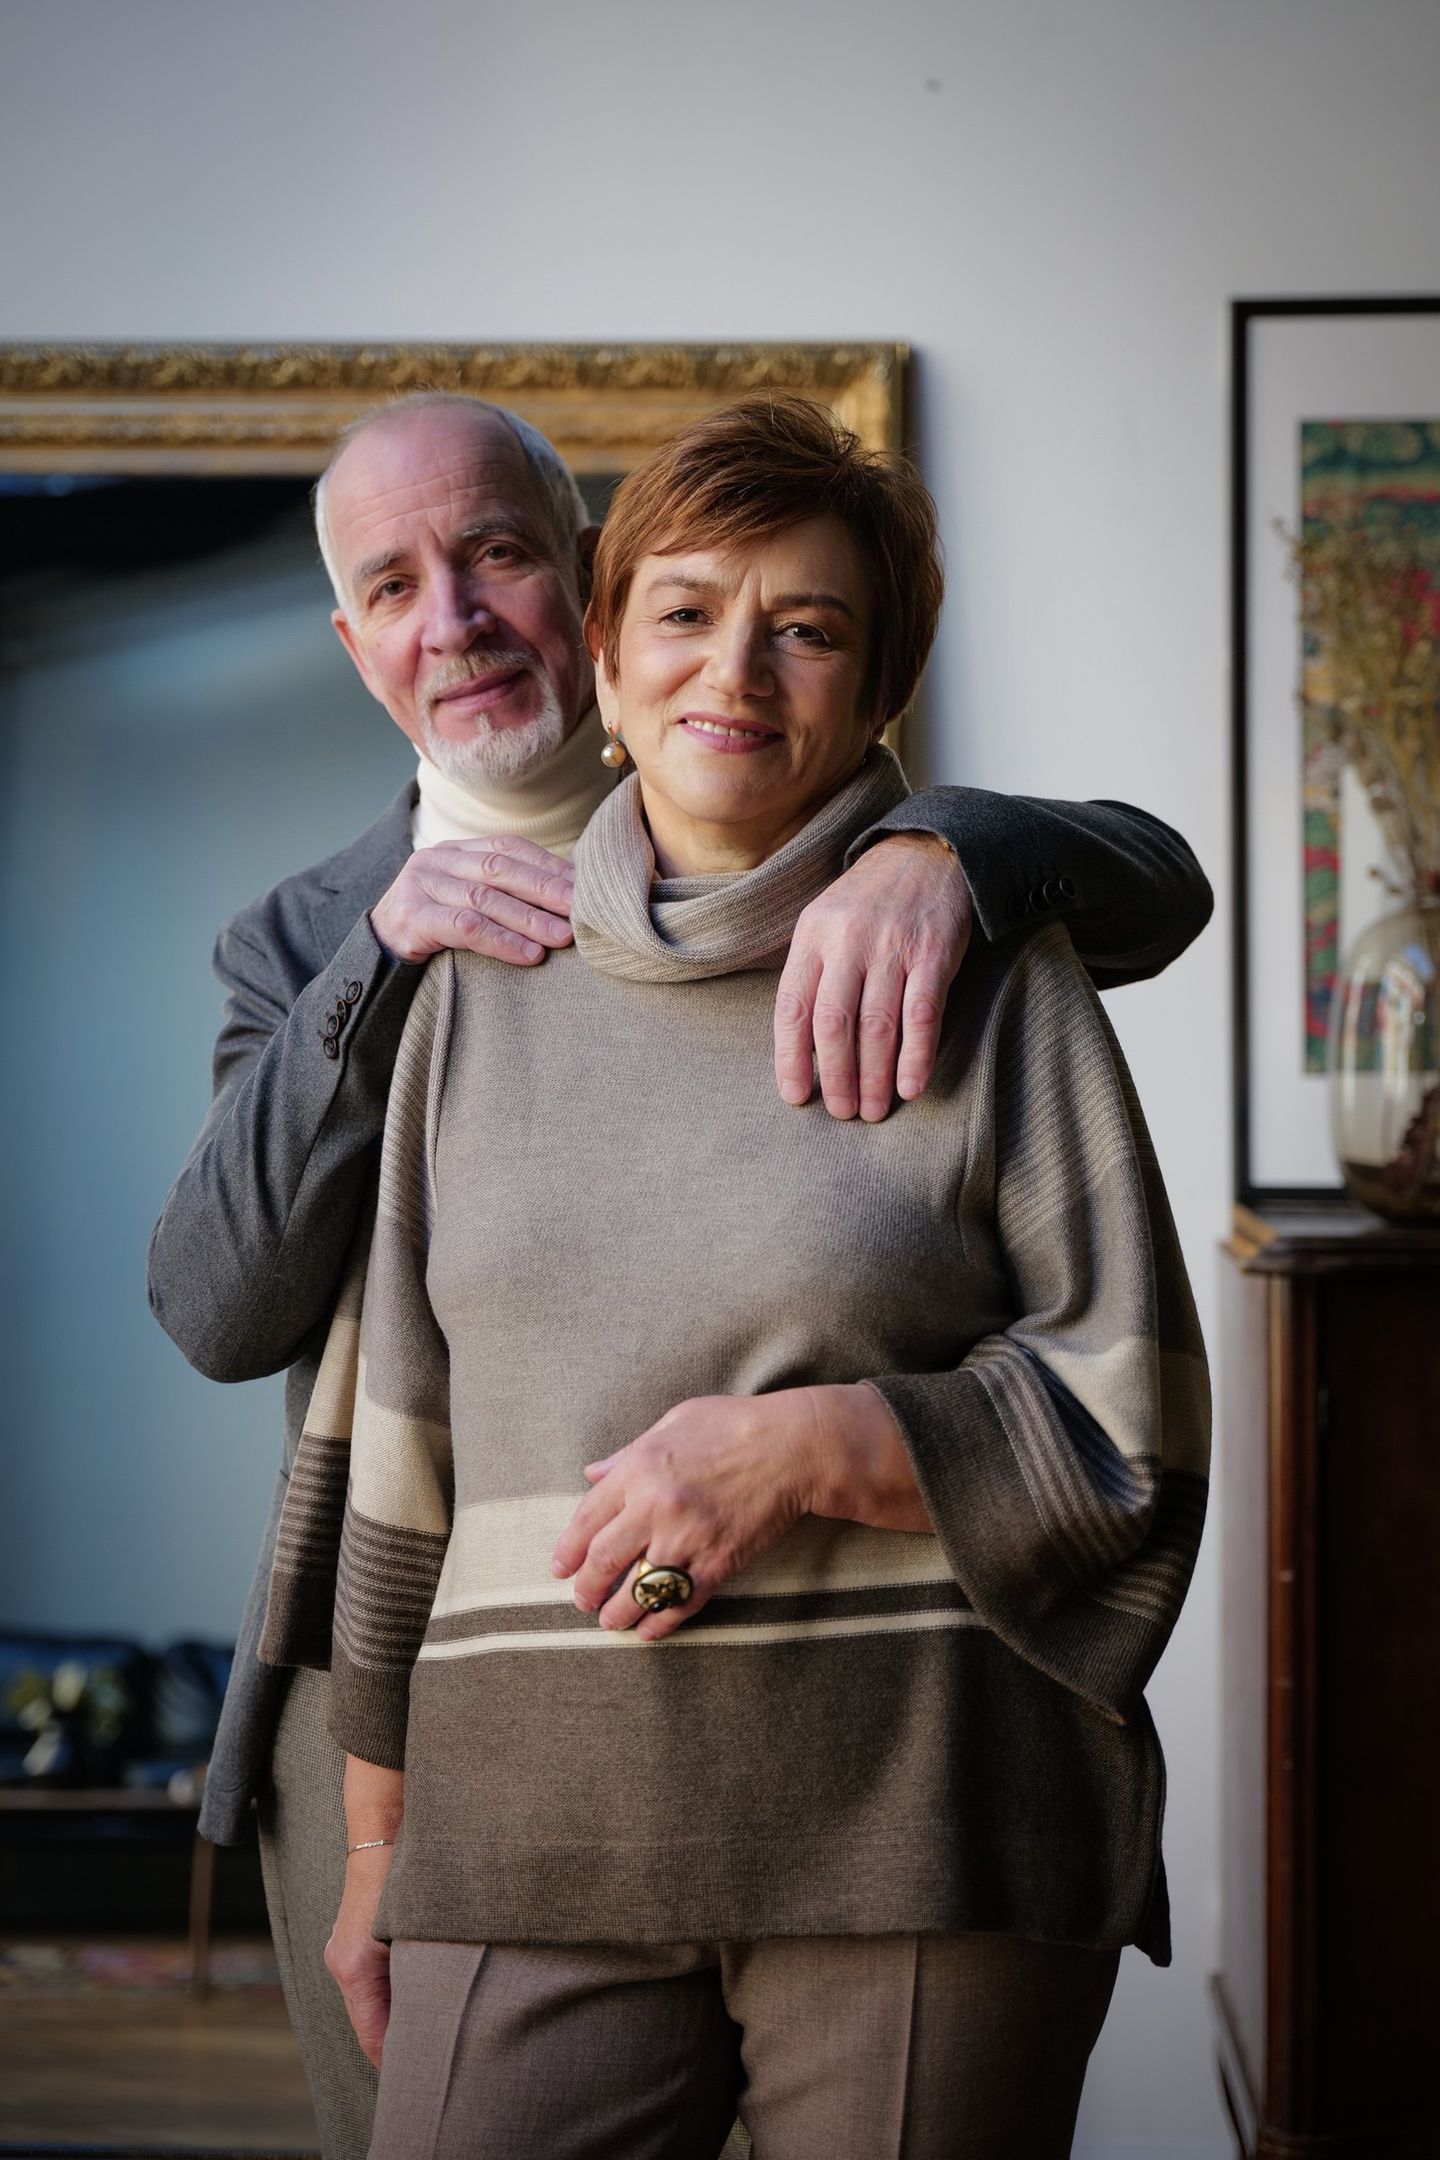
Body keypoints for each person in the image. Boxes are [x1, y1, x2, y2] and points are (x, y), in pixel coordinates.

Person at [149, 392, 1211, 2160]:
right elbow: (224, 1310)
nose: (455, 620)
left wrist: (944, 851)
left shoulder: (921, 901)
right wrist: (380, 960)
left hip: (892, 1765)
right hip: (461, 1713)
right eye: (394, 587)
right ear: (358, 644)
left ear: (578, 586)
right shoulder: (349, 949)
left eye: (495, 555)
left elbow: (1158, 888)